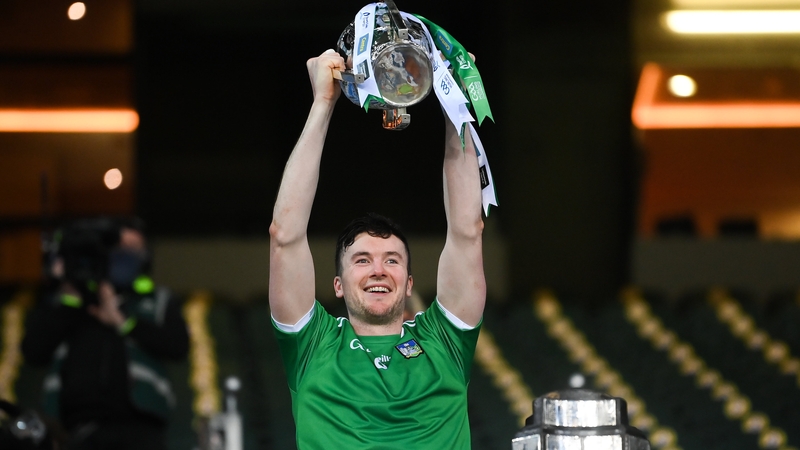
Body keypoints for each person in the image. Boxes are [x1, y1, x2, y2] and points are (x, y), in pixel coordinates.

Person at [269, 49, 486, 448]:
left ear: (409, 284)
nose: (378, 270)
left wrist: (455, 102)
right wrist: (322, 103)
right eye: (362, 261)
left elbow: (467, 232)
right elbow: (284, 236)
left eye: (392, 260)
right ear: (337, 284)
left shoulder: (444, 342)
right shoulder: (312, 345)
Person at [21, 218, 189, 450]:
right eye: (118, 247)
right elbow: (33, 352)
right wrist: (71, 295)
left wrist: (123, 322)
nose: (124, 255)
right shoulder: (66, 302)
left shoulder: (158, 301)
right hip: (76, 429)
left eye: (133, 248)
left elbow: (178, 347)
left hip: (140, 427)